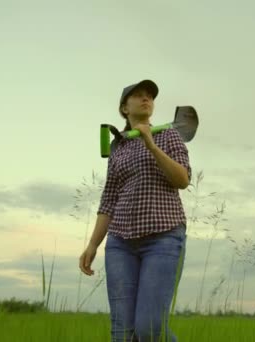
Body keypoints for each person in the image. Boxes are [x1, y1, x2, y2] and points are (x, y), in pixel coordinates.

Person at [79, 79, 192, 341]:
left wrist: (151, 144)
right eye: (138, 96)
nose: (146, 99)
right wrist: (93, 244)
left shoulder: (167, 135)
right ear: (124, 108)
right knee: (122, 333)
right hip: (120, 243)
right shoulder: (118, 146)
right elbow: (109, 198)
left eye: (150, 96)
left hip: (163, 238)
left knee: (149, 329)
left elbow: (182, 180)